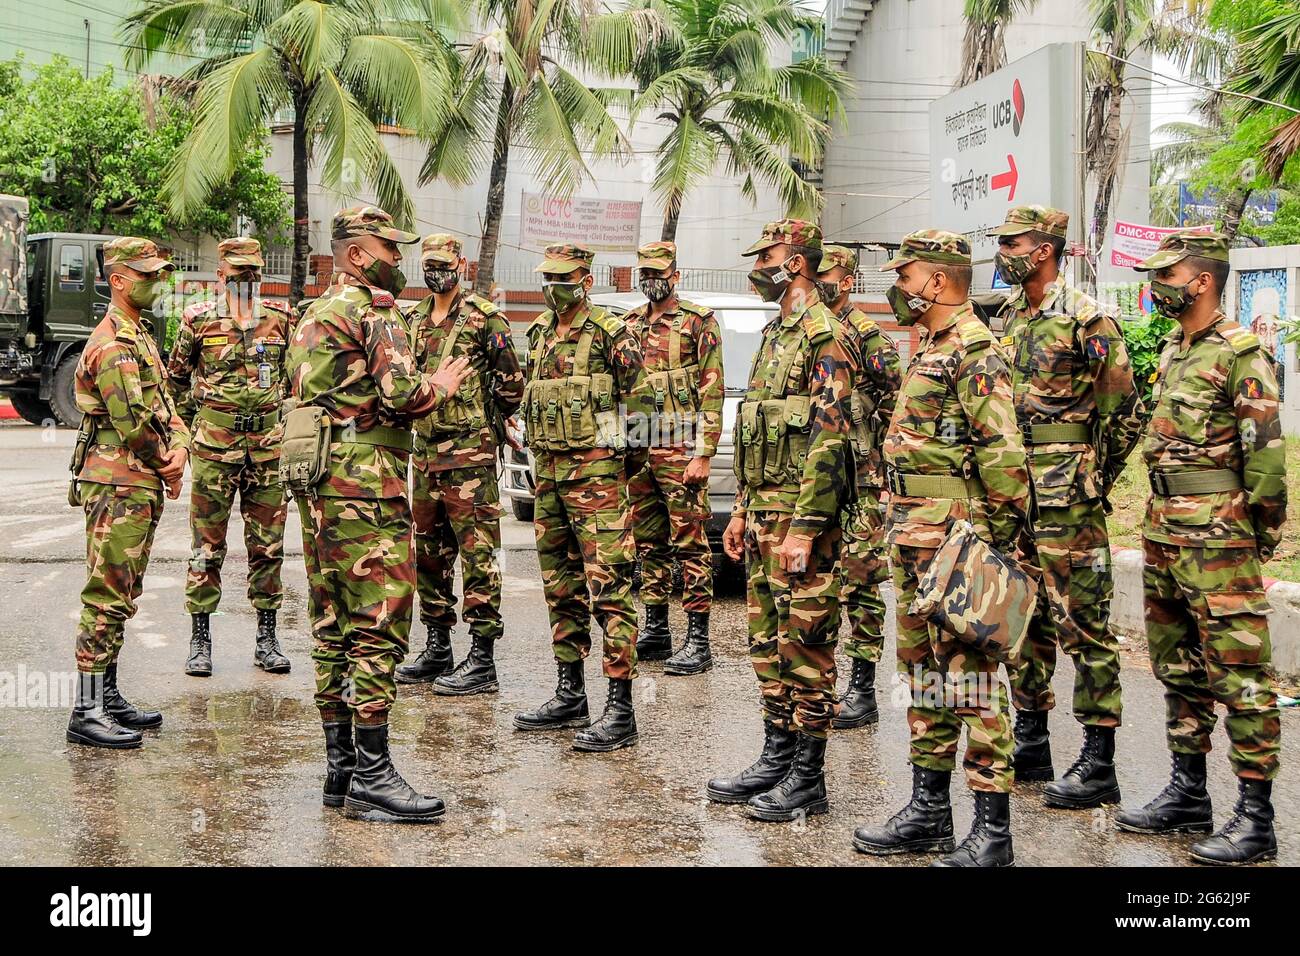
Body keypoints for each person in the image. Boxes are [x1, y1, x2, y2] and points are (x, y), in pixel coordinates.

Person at [852, 229, 1030, 866]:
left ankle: (992, 831)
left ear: (938, 280)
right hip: (914, 536)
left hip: (956, 542)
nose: (897, 288)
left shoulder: (975, 349)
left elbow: (1004, 459)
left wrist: (995, 551)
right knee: (924, 675)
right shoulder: (930, 345)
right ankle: (928, 809)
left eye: (906, 276)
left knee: (972, 679)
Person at [288, 205, 471, 822]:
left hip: (320, 491)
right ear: (359, 254)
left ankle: (339, 771)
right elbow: (402, 394)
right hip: (367, 491)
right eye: (391, 249)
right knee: (379, 621)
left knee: (331, 625)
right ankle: (373, 773)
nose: (401, 260)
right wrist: (441, 384)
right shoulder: (373, 310)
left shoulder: (310, 315)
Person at [1116, 229, 1285, 865]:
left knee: (1240, 674)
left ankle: (1256, 814)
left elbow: (1265, 460)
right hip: (1163, 529)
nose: (1157, 286)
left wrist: (1254, 538)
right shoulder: (1176, 348)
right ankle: (1189, 792)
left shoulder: (1239, 353)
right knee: (1178, 667)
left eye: (1167, 274)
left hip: (1219, 538)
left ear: (1202, 280)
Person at [985, 205, 1145, 807]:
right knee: (1019, 619)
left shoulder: (1085, 318)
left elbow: (1125, 412)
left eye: (1013, 241)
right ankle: (1031, 741)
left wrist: (1090, 478)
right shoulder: (1007, 316)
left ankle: (1099, 760)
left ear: (1046, 248)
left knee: (1083, 625)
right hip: (1014, 495)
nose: (1003, 251)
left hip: (1066, 501)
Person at [708, 219, 854, 822]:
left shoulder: (824, 337)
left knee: (807, 643)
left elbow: (830, 436)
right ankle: (777, 753)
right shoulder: (775, 335)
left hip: (801, 521)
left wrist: (805, 526)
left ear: (795, 262)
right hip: (764, 510)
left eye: (764, 256)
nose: (757, 267)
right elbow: (755, 430)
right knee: (767, 643)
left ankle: (809, 776)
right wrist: (741, 507)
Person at [513, 242, 648, 752]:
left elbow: (642, 412)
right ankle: (571, 692)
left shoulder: (614, 335)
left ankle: (621, 708)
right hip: (548, 481)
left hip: (598, 484)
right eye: (546, 278)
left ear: (586, 280)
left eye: (562, 278)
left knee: (609, 590)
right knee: (560, 588)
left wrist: (616, 473)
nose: (552, 288)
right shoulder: (541, 334)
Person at [67, 237, 189, 749]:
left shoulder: (138, 334)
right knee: (107, 593)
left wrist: (180, 445)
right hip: (118, 480)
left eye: (159, 274)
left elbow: (167, 403)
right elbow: (134, 420)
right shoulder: (114, 342)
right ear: (118, 279)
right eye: (147, 274)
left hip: (136, 480)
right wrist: (168, 461)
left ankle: (108, 696)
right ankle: (86, 709)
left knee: (125, 591)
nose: (156, 282)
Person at [395, 234, 524, 694]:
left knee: (478, 557)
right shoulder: (410, 319)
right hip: (426, 456)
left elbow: (512, 386)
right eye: (428, 264)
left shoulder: (485, 319)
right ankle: (437, 646)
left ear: (461, 264)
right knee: (429, 556)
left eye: (444, 264)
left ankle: (483, 658)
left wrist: (492, 414)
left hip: (470, 457)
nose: (436, 272)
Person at [167, 237, 294, 677]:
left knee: (268, 548)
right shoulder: (197, 321)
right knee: (206, 547)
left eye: (254, 273)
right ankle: (200, 640)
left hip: (267, 451)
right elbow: (176, 381)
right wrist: (187, 430)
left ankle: (267, 638)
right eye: (238, 273)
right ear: (220, 275)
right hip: (213, 451)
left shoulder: (280, 321)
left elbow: (294, 385)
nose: (247, 280)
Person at [624, 240, 724, 674]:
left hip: (681, 448)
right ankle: (656, 628)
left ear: (675, 275)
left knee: (691, 544)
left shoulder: (699, 323)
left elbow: (712, 391)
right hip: (640, 449)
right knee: (649, 544)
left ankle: (698, 639)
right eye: (645, 273)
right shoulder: (628, 324)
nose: (652, 280)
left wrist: (703, 454)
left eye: (659, 273)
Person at [815, 243, 901, 727]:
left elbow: (897, 399)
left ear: (847, 281)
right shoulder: (811, 332)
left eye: (827, 273)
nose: (819, 280)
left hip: (861, 479)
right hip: (822, 476)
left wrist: (880, 465)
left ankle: (863, 687)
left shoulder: (866, 336)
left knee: (862, 579)